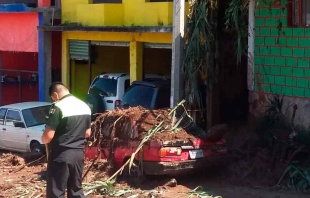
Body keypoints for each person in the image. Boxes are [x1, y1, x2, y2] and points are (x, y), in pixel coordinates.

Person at [42, 82, 91, 198]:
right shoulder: (84, 106)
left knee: (56, 191)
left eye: (53, 98)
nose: (53, 100)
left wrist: (43, 139)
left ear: (56, 94)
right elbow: (87, 133)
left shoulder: (58, 107)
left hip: (61, 154)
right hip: (78, 154)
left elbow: (48, 136)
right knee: (76, 190)